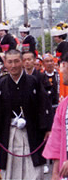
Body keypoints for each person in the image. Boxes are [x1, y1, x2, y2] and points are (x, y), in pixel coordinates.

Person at [0, 49, 52, 180]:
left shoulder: (33, 82)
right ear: (5, 63)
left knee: (34, 173)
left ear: (22, 62)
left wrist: (47, 128)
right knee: (10, 173)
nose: (13, 65)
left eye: (16, 61)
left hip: (31, 133)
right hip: (9, 134)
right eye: (10, 62)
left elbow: (45, 106)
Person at [42, 52, 68, 180]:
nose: (61, 68)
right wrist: (55, 174)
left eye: (63, 65)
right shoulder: (63, 106)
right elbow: (57, 141)